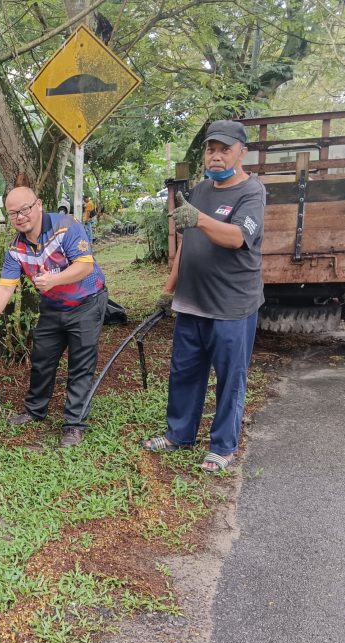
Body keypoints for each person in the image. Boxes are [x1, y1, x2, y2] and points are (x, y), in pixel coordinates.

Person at [142, 120, 265, 473]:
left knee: (230, 379)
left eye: (224, 149)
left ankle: (223, 447)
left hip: (231, 306)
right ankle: (179, 433)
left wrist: (199, 219)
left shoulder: (251, 193)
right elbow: (187, 243)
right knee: (184, 372)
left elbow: (237, 238)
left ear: (242, 151)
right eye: (211, 149)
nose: (215, 155)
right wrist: (169, 289)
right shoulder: (199, 191)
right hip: (191, 303)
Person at [0, 186, 108, 448]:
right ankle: (34, 410)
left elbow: (85, 265)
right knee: (42, 359)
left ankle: (74, 425)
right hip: (53, 307)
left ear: (39, 204)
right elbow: (6, 287)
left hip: (86, 303)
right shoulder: (16, 248)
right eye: (13, 213)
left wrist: (54, 279)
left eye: (25, 209)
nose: (20, 217)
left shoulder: (66, 226)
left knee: (80, 366)